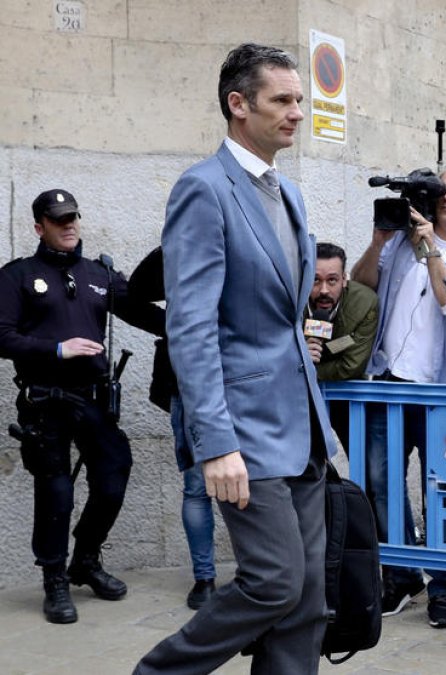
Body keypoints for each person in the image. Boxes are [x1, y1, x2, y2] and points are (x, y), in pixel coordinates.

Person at [135, 43, 337, 674]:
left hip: (302, 424)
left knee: (306, 598)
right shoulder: (203, 189)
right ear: (238, 104)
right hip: (244, 430)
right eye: (282, 100)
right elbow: (191, 328)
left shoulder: (293, 195)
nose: (296, 113)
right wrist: (215, 442)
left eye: (300, 100)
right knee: (275, 581)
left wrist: (322, 424)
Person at [0, 189, 163, 624]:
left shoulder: (99, 274)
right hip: (45, 402)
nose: (69, 224)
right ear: (40, 227)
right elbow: (2, 335)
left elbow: (144, 314)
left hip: (93, 398)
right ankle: (54, 579)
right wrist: (56, 349)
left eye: (73, 216)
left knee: (113, 479)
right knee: (56, 492)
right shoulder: (17, 275)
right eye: (58, 219)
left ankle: (85, 560)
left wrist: (196, 324)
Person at [351, 161, 446, 625]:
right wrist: (379, 241)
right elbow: (362, 284)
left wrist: (430, 245)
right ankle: (403, 574)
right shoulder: (401, 241)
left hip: (443, 390)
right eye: (442, 189)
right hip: (388, 380)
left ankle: (442, 587)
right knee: (379, 481)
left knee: (444, 492)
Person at [127, 246, 217, 611]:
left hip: (236, 386)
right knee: (197, 487)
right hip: (188, 388)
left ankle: (247, 575)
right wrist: (179, 238)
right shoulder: (184, 256)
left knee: (246, 486)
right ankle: (205, 578)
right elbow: (138, 288)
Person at [307, 242, 378, 449]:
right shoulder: (290, 297)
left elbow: (352, 365)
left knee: (364, 458)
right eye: (315, 280)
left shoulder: (364, 303)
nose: (324, 290)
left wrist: (306, 369)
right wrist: (298, 353)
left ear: (344, 280)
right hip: (297, 396)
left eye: (332, 280)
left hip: (344, 394)